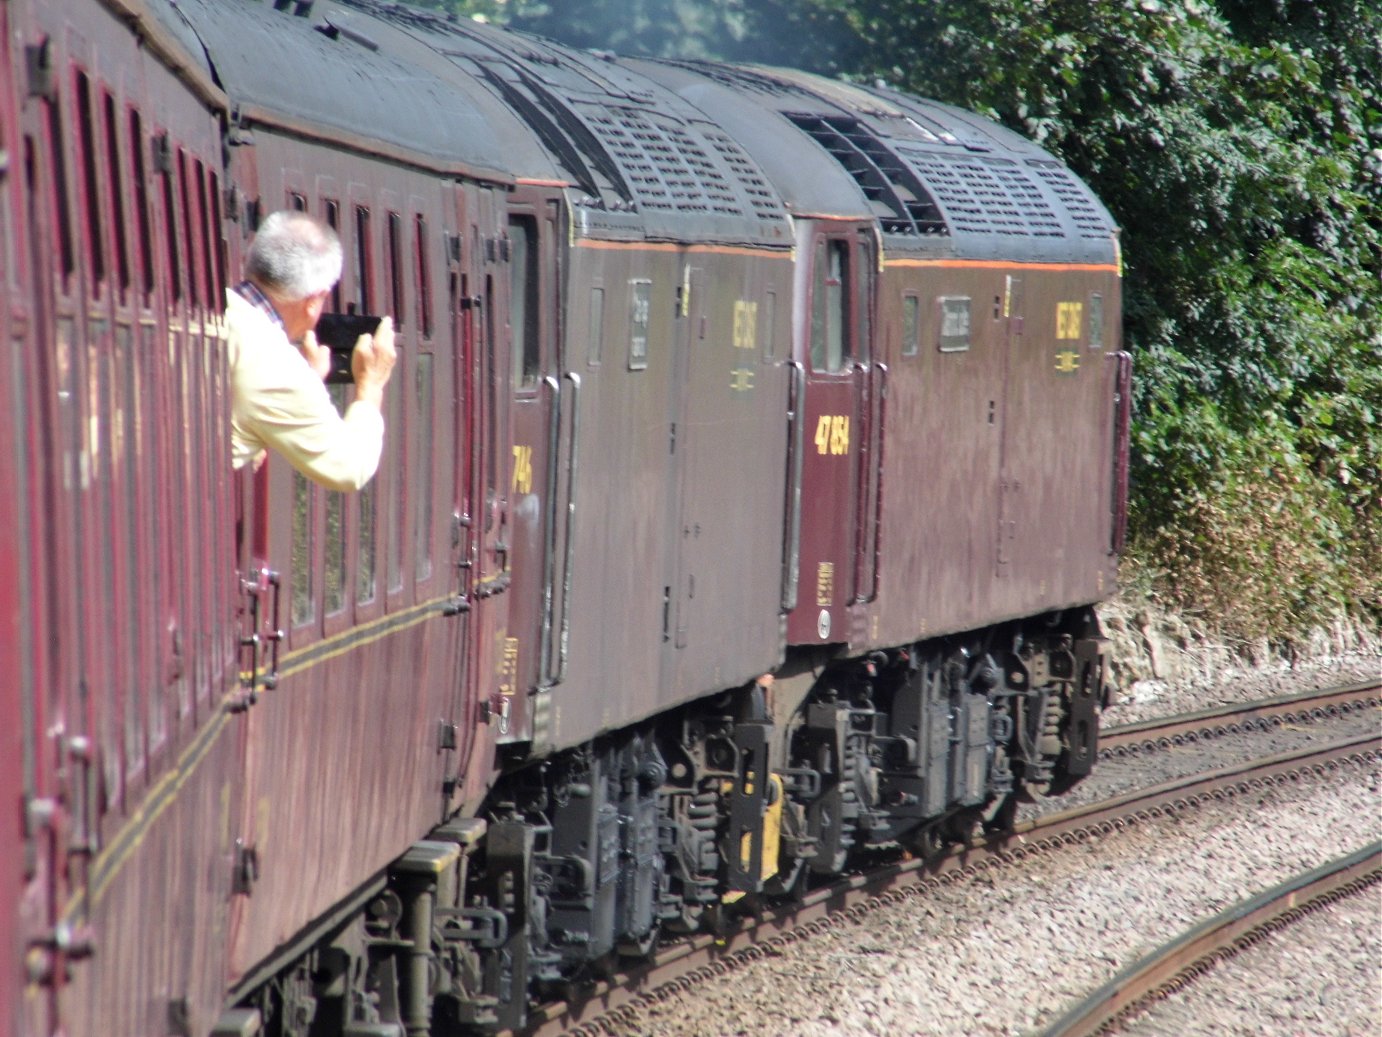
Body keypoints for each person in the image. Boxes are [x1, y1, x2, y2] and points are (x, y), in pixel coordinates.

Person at [227, 210, 397, 491]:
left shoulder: (212, 312)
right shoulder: (276, 364)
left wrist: (308, 382)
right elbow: (348, 468)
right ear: (314, 300)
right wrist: (371, 387)